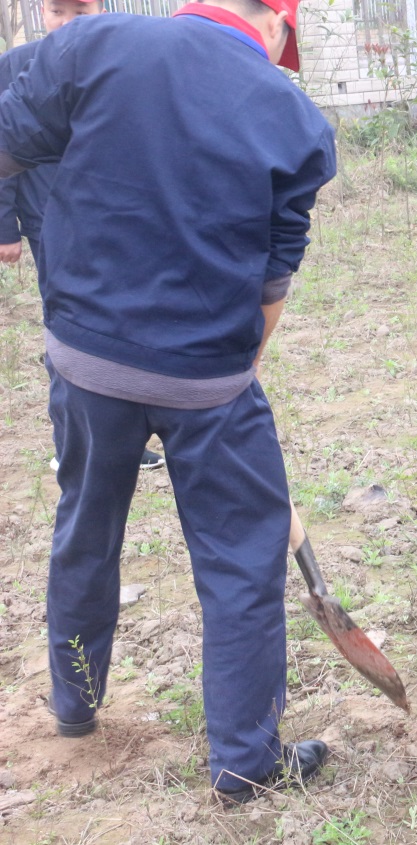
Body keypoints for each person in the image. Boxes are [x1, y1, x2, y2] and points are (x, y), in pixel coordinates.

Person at [0, 0, 338, 806]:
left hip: (87, 364)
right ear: (280, 26)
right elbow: (272, 281)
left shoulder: (98, 42)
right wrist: (227, 380)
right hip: (209, 382)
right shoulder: (293, 114)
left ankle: (75, 705)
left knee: (85, 527)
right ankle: (243, 762)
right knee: (240, 564)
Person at [0, 0, 166, 472]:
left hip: (119, 221)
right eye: (57, 10)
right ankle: (70, 446)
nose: (69, 22)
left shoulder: (125, 64)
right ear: (40, 11)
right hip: (49, 222)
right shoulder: (16, 65)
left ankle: (127, 442)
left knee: (125, 327)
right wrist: (4, 225)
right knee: (69, 333)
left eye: (82, 8)